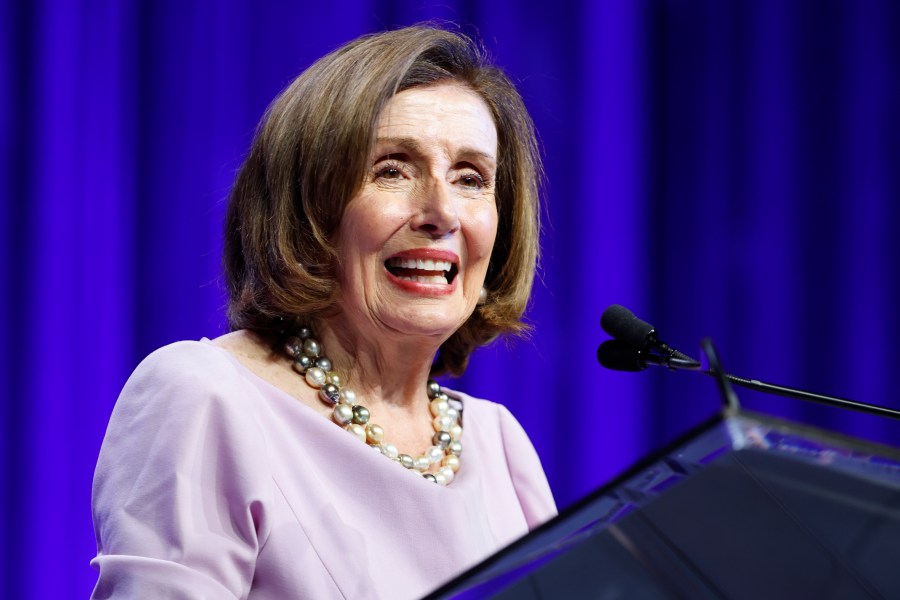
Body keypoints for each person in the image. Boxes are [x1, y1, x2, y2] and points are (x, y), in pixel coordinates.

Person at [91, 24, 556, 599]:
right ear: (307, 203)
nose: (441, 211)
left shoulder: (500, 447)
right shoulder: (205, 396)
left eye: (471, 178)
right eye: (393, 169)